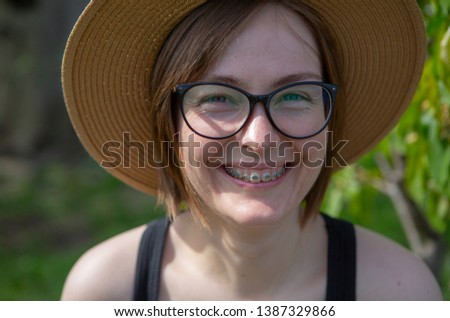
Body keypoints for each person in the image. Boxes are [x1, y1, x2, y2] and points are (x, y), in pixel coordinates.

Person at [60, 0, 442, 300]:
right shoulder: (106, 292)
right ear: (169, 124)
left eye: (294, 94)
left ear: (329, 121)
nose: (259, 140)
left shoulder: (397, 293)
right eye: (218, 97)